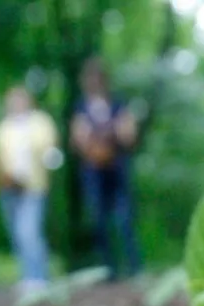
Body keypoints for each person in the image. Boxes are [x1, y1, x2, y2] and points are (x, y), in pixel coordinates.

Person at [70, 57, 142, 280]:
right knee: (98, 219)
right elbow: (77, 140)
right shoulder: (80, 106)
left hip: (117, 169)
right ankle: (108, 271)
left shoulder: (118, 103)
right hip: (93, 171)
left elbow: (128, 135)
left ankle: (134, 269)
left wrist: (101, 134)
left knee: (125, 219)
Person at [0, 85, 59, 298]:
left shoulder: (40, 122)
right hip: (8, 187)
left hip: (34, 187)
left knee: (29, 231)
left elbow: (49, 150)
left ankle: (39, 279)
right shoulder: (3, 128)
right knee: (16, 234)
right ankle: (27, 276)